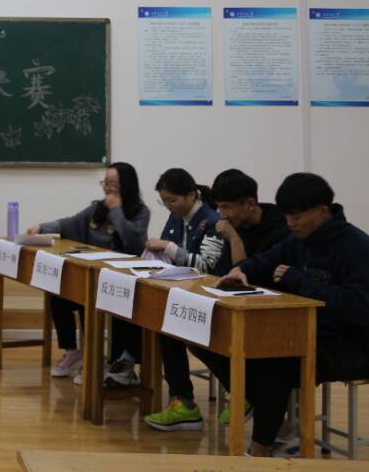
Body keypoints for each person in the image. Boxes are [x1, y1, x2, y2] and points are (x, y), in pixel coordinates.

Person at [203, 173, 369, 457]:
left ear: (323, 211)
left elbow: (357, 307)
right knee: (220, 340)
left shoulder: (356, 247)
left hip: (350, 343)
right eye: (287, 216)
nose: (290, 223)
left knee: (275, 358)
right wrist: (241, 271)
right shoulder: (299, 239)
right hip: (308, 330)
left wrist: (299, 281)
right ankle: (280, 431)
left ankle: (261, 449)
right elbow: (267, 259)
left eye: (297, 216)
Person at [143, 168, 288, 432]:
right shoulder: (227, 221)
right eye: (219, 206)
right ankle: (187, 402)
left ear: (250, 204)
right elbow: (234, 272)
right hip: (233, 300)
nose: (220, 213)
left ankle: (247, 393)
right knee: (173, 325)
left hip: (270, 312)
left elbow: (243, 271)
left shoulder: (278, 229)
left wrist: (232, 237)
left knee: (200, 333)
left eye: (225, 207)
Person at [26, 162, 150, 382]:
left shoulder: (140, 212)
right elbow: (69, 224)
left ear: (127, 186)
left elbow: (134, 242)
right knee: (58, 294)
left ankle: (92, 360)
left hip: (119, 280)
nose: (108, 190)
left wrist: (116, 211)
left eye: (114, 185)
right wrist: (42, 227)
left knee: (89, 300)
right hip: (90, 273)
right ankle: (73, 352)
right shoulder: (96, 209)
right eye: (106, 184)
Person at [144, 168, 222, 271]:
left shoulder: (213, 221)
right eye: (164, 202)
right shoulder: (175, 215)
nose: (168, 207)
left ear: (191, 195)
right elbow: (163, 249)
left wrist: (168, 247)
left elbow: (206, 266)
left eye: (172, 201)